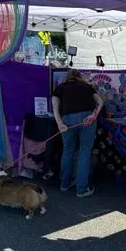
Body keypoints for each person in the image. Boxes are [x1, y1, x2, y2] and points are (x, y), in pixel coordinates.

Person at [52, 69, 103, 197]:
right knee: (84, 151)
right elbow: (100, 102)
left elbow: (55, 108)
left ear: (67, 78)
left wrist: (59, 124)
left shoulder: (59, 88)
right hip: (87, 118)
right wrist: (94, 115)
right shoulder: (87, 87)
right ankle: (81, 189)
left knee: (68, 150)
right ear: (80, 77)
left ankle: (64, 184)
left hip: (67, 119)